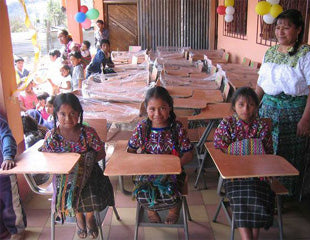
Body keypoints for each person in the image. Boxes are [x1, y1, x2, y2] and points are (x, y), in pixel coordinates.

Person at [256, 9, 310, 196]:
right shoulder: (270, 52)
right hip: (267, 111)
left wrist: (306, 119)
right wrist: (251, 107)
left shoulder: (308, 54)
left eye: (286, 27)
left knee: (286, 155)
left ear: (299, 29)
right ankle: (265, 191)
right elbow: (261, 84)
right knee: (265, 150)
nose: (280, 32)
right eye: (278, 27)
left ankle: (282, 196)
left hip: (293, 115)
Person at [39, 93, 114, 239]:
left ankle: (90, 216)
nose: (68, 119)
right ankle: (80, 217)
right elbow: (47, 157)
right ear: (56, 114)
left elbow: (101, 152)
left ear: (79, 113)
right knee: (71, 192)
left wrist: (86, 163)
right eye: (63, 114)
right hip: (64, 176)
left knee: (92, 191)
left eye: (73, 113)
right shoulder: (52, 136)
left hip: (89, 173)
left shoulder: (88, 133)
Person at [213, 87, 275, 240]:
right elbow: (219, 152)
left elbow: (268, 153)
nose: (246, 109)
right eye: (241, 105)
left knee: (257, 196)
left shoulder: (262, 126)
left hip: (258, 175)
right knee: (240, 197)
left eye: (251, 105)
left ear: (257, 106)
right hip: (234, 176)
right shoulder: (227, 124)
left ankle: (252, 237)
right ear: (234, 106)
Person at [127, 86, 193, 224]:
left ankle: (174, 210)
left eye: (162, 108)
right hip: (147, 171)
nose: (157, 113)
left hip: (172, 171)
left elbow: (188, 154)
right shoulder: (142, 128)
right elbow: (130, 152)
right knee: (143, 192)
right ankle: (151, 210)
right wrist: (142, 164)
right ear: (146, 108)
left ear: (170, 107)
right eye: (152, 109)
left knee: (172, 192)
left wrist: (175, 166)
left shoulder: (177, 128)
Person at [0, 114, 27, 240]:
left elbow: (7, 137)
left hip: (4, 170)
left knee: (10, 202)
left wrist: (7, 156)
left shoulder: (0, 122)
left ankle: (17, 229)